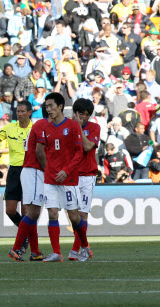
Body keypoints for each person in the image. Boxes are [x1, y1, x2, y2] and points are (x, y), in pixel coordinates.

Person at [36, 92, 91, 262]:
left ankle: (84, 246)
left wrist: (66, 171)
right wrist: (49, 171)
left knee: (74, 216)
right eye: (46, 107)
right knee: (52, 213)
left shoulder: (73, 126)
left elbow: (79, 152)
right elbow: (45, 153)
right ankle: (56, 253)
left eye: (51, 106)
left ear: (60, 106)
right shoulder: (46, 128)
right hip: (51, 178)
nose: (48, 109)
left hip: (68, 178)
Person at [0, 100, 33, 251]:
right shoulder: (9, 128)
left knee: (25, 211)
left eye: (23, 111)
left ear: (29, 113)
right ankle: (26, 235)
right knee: (10, 210)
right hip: (14, 171)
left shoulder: (35, 129)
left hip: (29, 171)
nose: (20, 114)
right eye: (18, 111)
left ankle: (23, 242)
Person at [8, 104, 50, 262]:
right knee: (32, 213)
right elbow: (40, 151)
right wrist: (48, 171)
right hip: (33, 171)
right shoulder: (42, 124)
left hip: (33, 171)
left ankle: (35, 252)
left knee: (33, 213)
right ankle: (16, 248)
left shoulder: (42, 125)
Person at [70, 98, 100, 261]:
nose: (84, 118)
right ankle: (84, 245)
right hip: (71, 175)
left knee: (83, 214)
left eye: (87, 115)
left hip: (87, 175)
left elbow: (88, 146)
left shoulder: (94, 127)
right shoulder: (65, 127)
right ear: (74, 113)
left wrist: (78, 128)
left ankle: (77, 249)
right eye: (81, 114)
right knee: (72, 214)